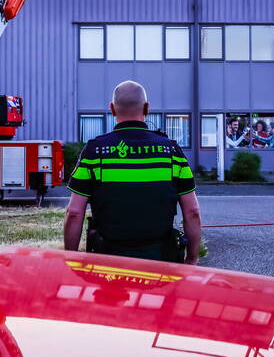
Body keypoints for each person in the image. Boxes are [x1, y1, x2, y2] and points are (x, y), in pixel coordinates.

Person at [64, 80, 202, 264]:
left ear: (112, 109)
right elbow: (192, 212)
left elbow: (74, 213)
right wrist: (192, 258)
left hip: (108, 261)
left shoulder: (94, 152)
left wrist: (70, 260)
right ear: (146, 108)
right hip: (161, 261)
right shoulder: (172, 153)